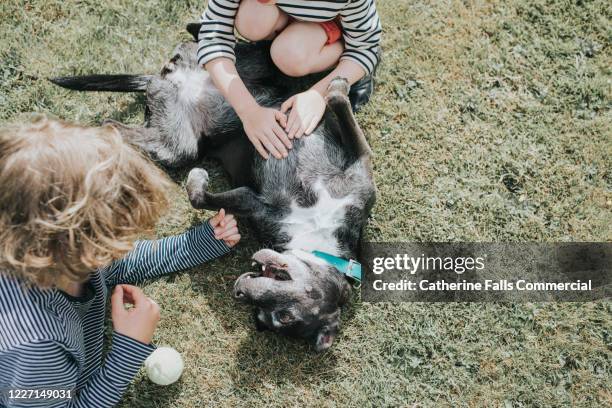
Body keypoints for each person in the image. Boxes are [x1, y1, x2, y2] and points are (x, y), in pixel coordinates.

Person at [0, 117, 240, 407]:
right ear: (76, 244)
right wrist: (128, 348)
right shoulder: (37, 352)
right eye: (117, 235)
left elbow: (121, 263)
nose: (127, 243)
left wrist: (201, 241)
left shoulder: (50, 252)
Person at [198, 0, 382, 159]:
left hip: (329, 25)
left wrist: (319, 93)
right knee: (251, 20)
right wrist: (249, 111)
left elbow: (366, 47)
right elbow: (213, 35)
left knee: (289, 56)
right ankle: (284, 37)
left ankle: (337, 54)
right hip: (286, 14)